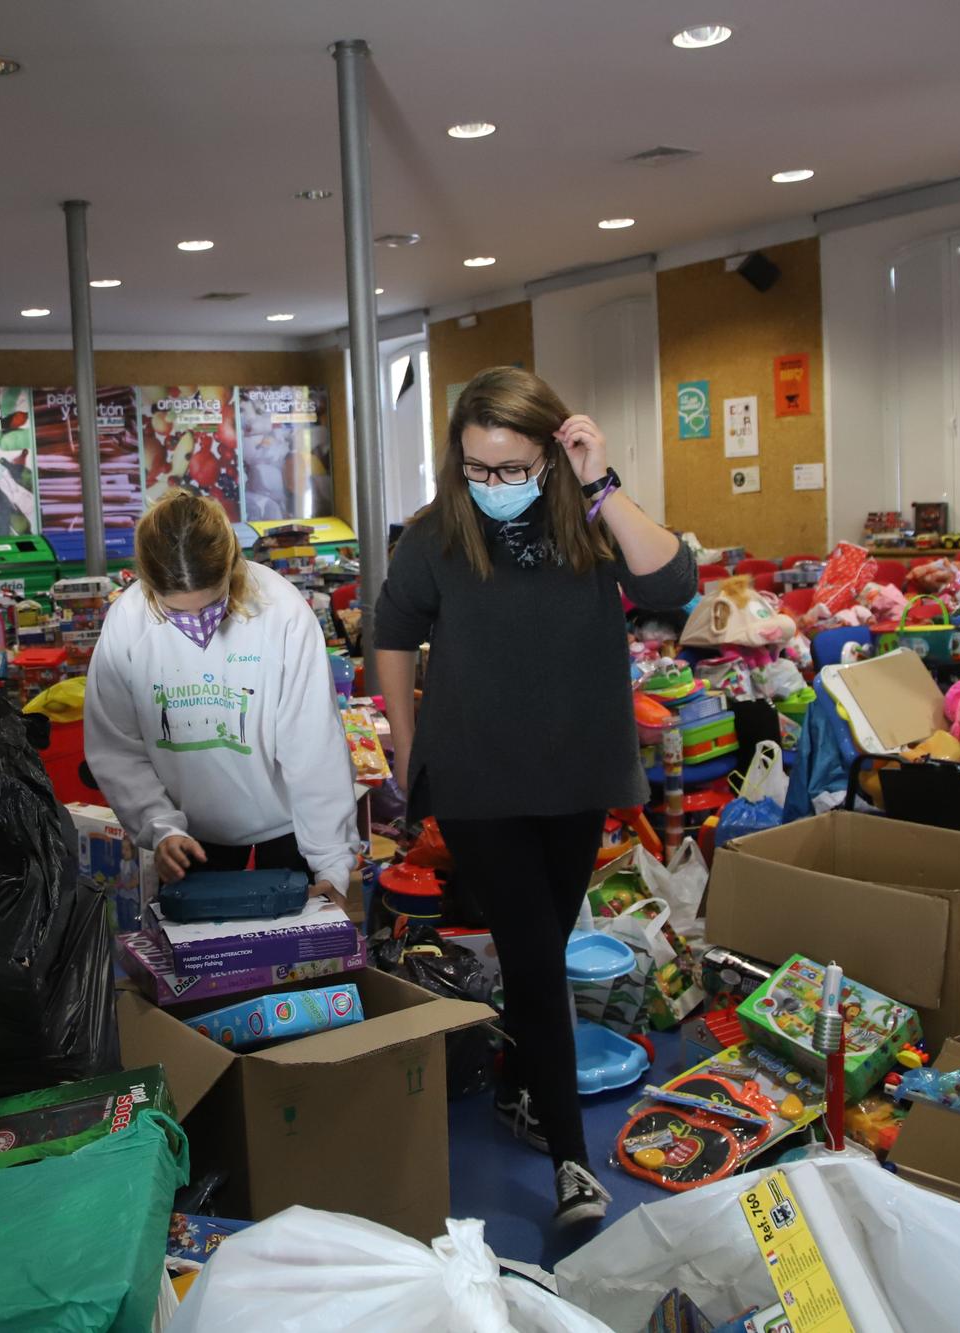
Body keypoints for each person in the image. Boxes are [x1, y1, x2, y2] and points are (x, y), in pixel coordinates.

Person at [373, 366, 695, 1228]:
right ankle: (572, 1165)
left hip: (577, 773)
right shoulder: (437, 536)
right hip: (479, 779)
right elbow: (392, 635)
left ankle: (519, 1086)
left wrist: (600, 483)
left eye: (514, 468)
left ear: (553, 453)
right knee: (535, 956)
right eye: (479, 469)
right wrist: (408, 749)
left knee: (540, 943)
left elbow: (671, 587)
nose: (496, 487)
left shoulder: (589, 521)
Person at [86, 490, 358, 905]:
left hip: (290, 831)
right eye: (176, 612)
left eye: (210, 604)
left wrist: (332, 863)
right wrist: (159, 825)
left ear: (231, 570)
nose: (196, 623)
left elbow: (313, 746)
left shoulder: (281, 610)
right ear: (148, 583)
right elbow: (117, 747)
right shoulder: (127, 622)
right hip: (187, 837)